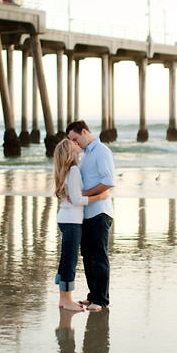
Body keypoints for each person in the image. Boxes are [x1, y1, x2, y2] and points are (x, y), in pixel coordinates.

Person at [53, 138, 110, 311]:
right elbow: (77, 199)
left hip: (64, 218)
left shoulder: (62, 170)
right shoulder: (74, 170)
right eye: (74, 145)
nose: (78, 146)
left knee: (65, 260)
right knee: (69, 261)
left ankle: (64, 299)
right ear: (71, 152)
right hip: (72, 221)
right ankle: (67, 300)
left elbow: (73, 196)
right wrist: (99, 197)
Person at [65, 120, 116, 311]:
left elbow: (108, 182)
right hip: (86, 213)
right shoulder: (86, 154)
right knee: (87, 255)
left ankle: (101, 300)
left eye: (75, 139)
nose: (74, 144)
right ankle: (92, 295)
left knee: (99, 256)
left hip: (100, 211)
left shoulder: (101, 151)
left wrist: (83, 195)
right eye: (71, 141)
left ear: (85, 132)